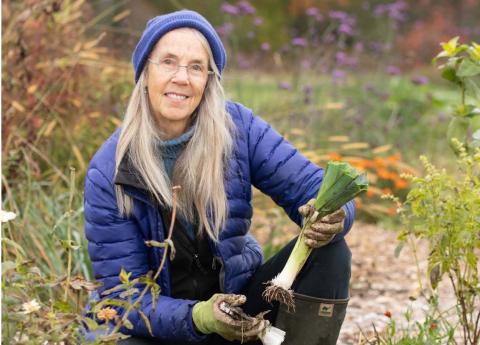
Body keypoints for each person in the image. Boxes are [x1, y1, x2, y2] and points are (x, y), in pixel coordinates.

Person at [84, 9, 355, 345]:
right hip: (159, 329)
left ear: (209, 79)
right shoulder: (110, 171)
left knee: (330, 251)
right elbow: (125, 299)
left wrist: (333, 213)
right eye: (168, 62)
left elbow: (313, 185)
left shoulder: (238, 129)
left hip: (239, 312)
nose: (182, 77)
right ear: (145, 72)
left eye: (196, 66)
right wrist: (200, 317)